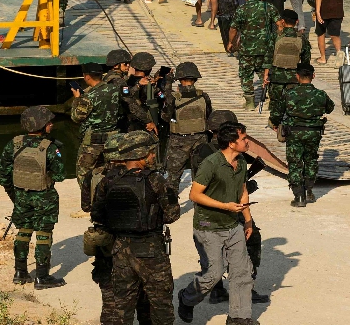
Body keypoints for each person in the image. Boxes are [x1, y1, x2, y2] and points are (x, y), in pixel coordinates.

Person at [90, 130, 181, 323]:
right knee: (161, 304)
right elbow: (172, 215)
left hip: (120, 250)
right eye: (150, 153)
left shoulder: (108, 181)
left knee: (122, 305)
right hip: (151, 251)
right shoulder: (155, 180)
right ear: (140, 155)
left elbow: (97, 214)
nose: (153, 156)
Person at [177, 121, 256, 325]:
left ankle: (239, 317)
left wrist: (248, 221)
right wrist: (225, 206)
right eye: (243, 139)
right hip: (208, 227)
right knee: (213, 274)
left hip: (233, 226)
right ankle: (186, 298)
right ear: (231, 143)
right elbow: (194, 195)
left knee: (242, 272)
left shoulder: (242, 163)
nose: (247, 142)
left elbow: (242, 192)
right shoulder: (210, 164)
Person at [0, 106, 66, 289]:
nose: (51, 124)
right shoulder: (50, 148)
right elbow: (60, 175)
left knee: (23, 232)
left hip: (21, 196)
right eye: (49, 122)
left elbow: (3, 174)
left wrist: (16, 195)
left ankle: (20, 273)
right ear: (42, 125)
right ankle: (42, 277)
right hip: (45, 198)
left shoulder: (14, 144)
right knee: (44, 235)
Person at [72, 53, 130, 211]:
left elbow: (77, 117)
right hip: (113, 137)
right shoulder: (114, 89)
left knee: (84, 171)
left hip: (93, 140)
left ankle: (91, 203)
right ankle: (112, 198)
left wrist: (77, 98)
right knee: (110, 168)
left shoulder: (88, 96)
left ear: (87, 77)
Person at [271, 63, 333, 207]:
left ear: (297, 76)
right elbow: (329, 108)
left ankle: (299, 196)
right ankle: (309, 192)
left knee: (295, 163)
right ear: (313, 76)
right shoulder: (321, 94)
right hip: (313, 133)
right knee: (311, 160)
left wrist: (275, 123)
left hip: (294, 133)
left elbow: (277, 113)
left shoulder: (289, 93)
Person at [162, 62, 214, 192]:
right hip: (200, 139)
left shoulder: (173, 98)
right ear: (195, 79)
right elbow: (209, 116)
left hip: (179, 140)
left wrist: (167, 82)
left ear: (179, 79)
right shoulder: (203, 96)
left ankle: (171, 208)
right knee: (201, 178)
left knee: (173, 179)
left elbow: (166, 117)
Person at [228, 0, 278, 108]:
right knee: (265, 73)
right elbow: (280, 24)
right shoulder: (268, 7)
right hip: (265, 49)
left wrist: (231, 42)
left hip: (246, 50)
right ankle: (272, 100)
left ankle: (250, 102)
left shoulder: (242, 9)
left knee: (246, 74)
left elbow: (233, 28)